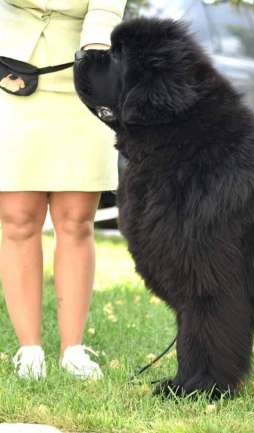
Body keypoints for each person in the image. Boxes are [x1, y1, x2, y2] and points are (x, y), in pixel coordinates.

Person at [0, 0, 127, 380]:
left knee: (75, 220)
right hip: (10, 71)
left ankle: (73, 350)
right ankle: (29, 351)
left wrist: (95, 46)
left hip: (87, 71)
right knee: (17, 218)